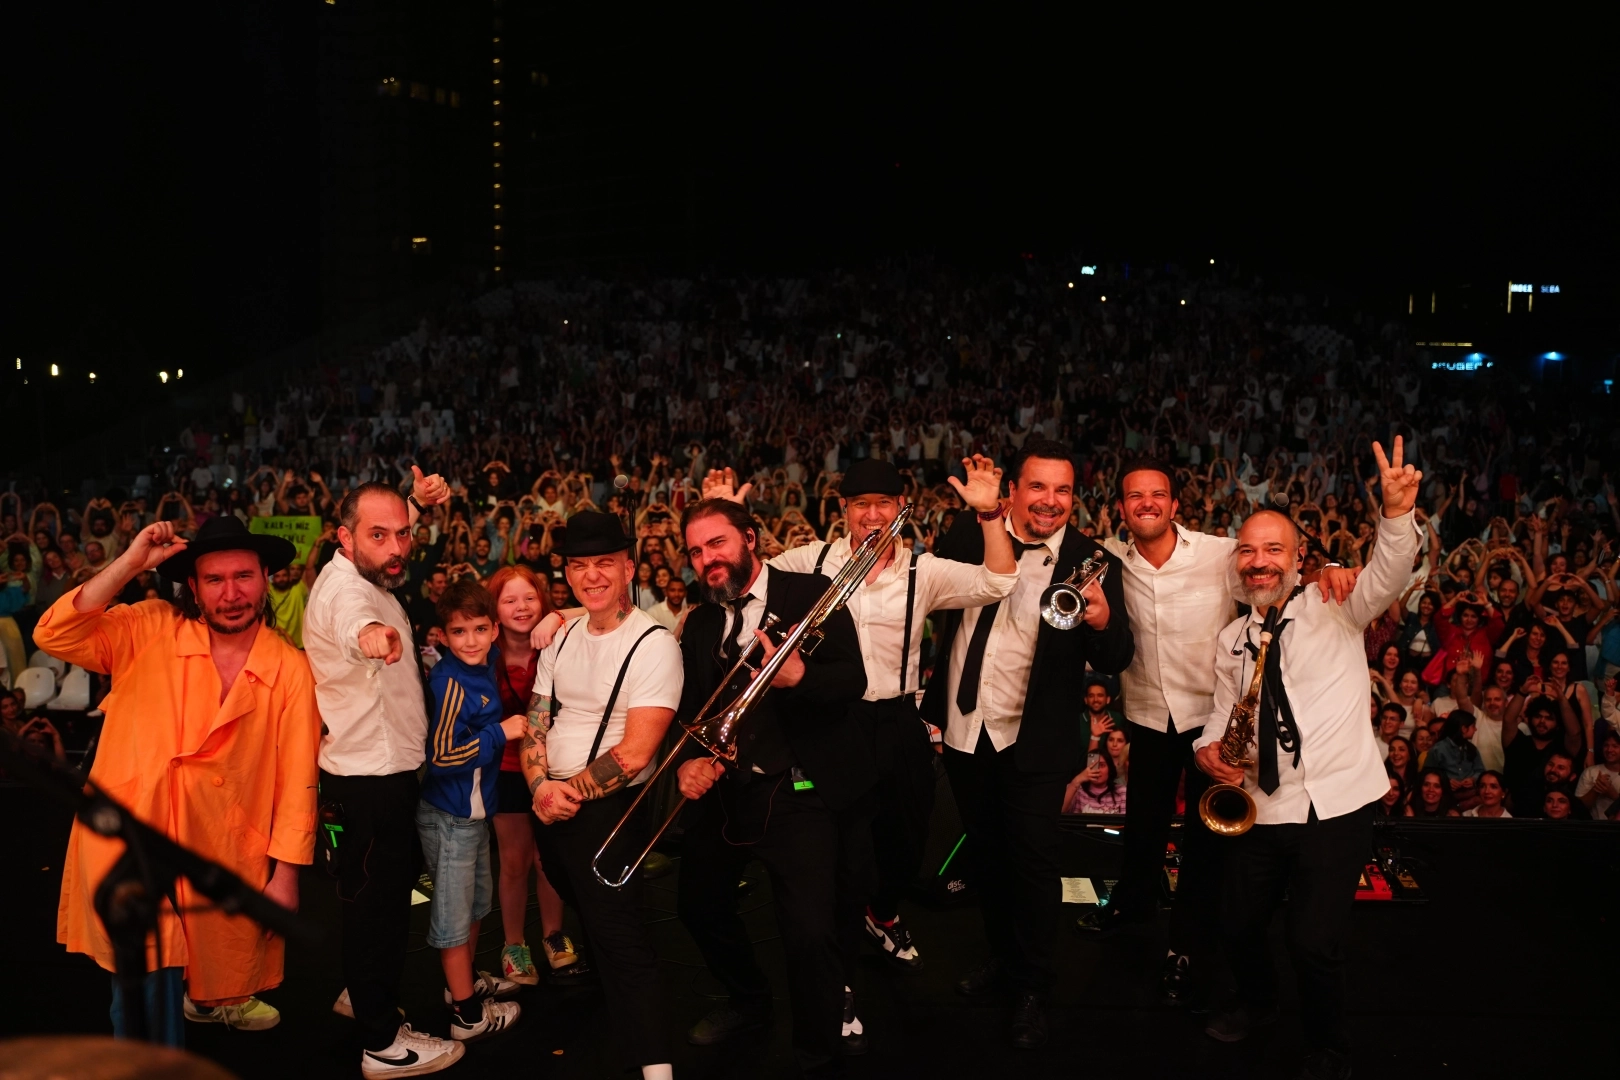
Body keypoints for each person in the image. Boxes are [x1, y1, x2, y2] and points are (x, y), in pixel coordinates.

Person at [706, 454, 1017, 996]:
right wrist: (727, 519)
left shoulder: (924, 570)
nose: (872, 515)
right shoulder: (813, 559)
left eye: (883, 504)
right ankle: (838, 965)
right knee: (842, 852)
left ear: (901, 507)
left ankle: (883, 912)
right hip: (833, 717)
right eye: (860, 505)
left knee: (908, 841)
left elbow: (999, 581)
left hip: (897, 717)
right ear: (844, 510)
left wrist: (990, 515)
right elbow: (746, 580)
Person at [32, 517, 319, 1045]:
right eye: (214, 580)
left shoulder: (290, 669)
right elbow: (54, 633)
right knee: (142, 985)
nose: (231, 594)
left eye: (243, 576)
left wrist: (286, 876)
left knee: (206, 971)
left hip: (221, 848)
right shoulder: (149, 627)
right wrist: (130, 563)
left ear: (266, 578)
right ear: (193, 586)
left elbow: (298, 779)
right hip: (132, 840)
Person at [1194, 437, 1421, 1080]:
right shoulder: (1231, 639)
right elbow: (1222, 712)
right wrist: (1207, 749)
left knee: (1312, 941)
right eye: (1248, 550)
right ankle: (1259, 1001)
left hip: (1335, 806)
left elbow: (1389, 573)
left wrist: (1396, 513)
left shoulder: (1336, 603)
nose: (1258, 562)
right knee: (1237, 924)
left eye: (1273, 550)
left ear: (1299, 559)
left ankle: (1329, 1044)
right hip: (1261, 806)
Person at [1096, 458, 1356, 1007]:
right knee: (1142, 829)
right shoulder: (1109, 559)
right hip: (1147, 712)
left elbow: (1277, 563)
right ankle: (1130, 908)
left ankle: (1186, 946)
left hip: (1211, 719)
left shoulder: (1221, 552)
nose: (1146, 503)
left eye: (1157, 494)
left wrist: (1329, 565)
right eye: (1135, 496)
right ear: (1120, 508)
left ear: (1175, 505)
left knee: (1206, 843)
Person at [922, 438, 1133, 1049]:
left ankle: (1034, 985)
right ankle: (1003, 959)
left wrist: (1101, 620)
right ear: (1011, 490)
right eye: (1037, 486)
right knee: (987, 858)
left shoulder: (1093, 560)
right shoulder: (966, 533)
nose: (1050, 500)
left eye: (1063, 489)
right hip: (966, 729)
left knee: (1034, 867)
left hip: (1034, 740)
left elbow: (1117, 655)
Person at [671, 498, 868, 1072]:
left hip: (797, 788)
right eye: (696, 552)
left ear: (750, 539)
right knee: (697, 904)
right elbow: (691, 707)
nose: (707, 559)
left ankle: (816, 1043)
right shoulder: (701, 621)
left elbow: (852, 680)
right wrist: (688, 761)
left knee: (808, 927)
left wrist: (799, 675)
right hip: (728, 790)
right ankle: (749, 1001)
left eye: (718, 543)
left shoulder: (809, 593)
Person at [303, 472, 473, 1079]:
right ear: (344, 538)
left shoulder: (367, 568)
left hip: (375, 777)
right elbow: (354, 623)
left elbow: (387, 536)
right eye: (380, 535)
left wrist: (413, 502)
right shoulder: (344, 592)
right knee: (376, 910)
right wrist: (372, 636)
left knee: (375, 902)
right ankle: (382, 1044)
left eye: (403, 533)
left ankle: (363, 995)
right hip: (369, 783)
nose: (397, 547)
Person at [520, 511, 683, 1080]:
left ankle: (655, 1064)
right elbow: (536, 721)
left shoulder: (653, 644)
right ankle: (612, 1030)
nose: (591, 576)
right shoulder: (562, 635)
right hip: (551, 805)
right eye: (579, 565)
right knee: (588, 914)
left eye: (604, 564)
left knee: (621, 937)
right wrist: (539, 787)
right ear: (567, 573)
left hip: (607, 811)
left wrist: (562, 793)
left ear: (628, 569)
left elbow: (636, 753)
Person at [418, 581, 526, 1039]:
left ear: (494, 629)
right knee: (453, 919)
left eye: (480, 629)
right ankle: (467, 1015)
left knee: (476, 906)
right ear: (443, 635)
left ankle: (459, 986)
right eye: (459, 632)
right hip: (450, 817)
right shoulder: (449, 682)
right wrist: (500, 733)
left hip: (474, 815)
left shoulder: (487, 659)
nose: (471, 641)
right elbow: (441, 757)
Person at [484, 566, 574, 986]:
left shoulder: (559, 638)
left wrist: (557, 617)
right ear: (495, 609)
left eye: (529, 598)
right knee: (515, 860)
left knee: (548, 858)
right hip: (505, 768)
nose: (521, 607)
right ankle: (514, 944)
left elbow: (606, 609)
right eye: (509, 600)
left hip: (553, 766)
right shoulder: (485, 650)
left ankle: (553, 935)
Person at [1502, 695, 1582, 818]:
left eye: (1549, 718)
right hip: (1516, 815)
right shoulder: (1518, 742)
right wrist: (1522, 692)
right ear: (1529, 718)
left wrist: (1561, 699)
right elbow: (1508, 720)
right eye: (1537, 716)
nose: (1542, 721)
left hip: (1554, 816)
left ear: (1558, 723)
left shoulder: (1562, 748)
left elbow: (1575, 733)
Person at [266, 556, 317, 649]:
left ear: (290, 577)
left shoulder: (299, 589)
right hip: (275, 643)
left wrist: (316, 547)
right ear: (272, 579)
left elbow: (309, 568)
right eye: (277, 576)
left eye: (284, 575)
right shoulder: (269, 590)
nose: (281, 579)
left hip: (299, 644)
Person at [1575, 728, 1620, 820]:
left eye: (1615, 746)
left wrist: (1614, 795)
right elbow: (1578, 808)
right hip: (1594, 825)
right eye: (1606, 745)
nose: (1609, 750)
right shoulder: (1591, 772)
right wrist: (1596, 789)